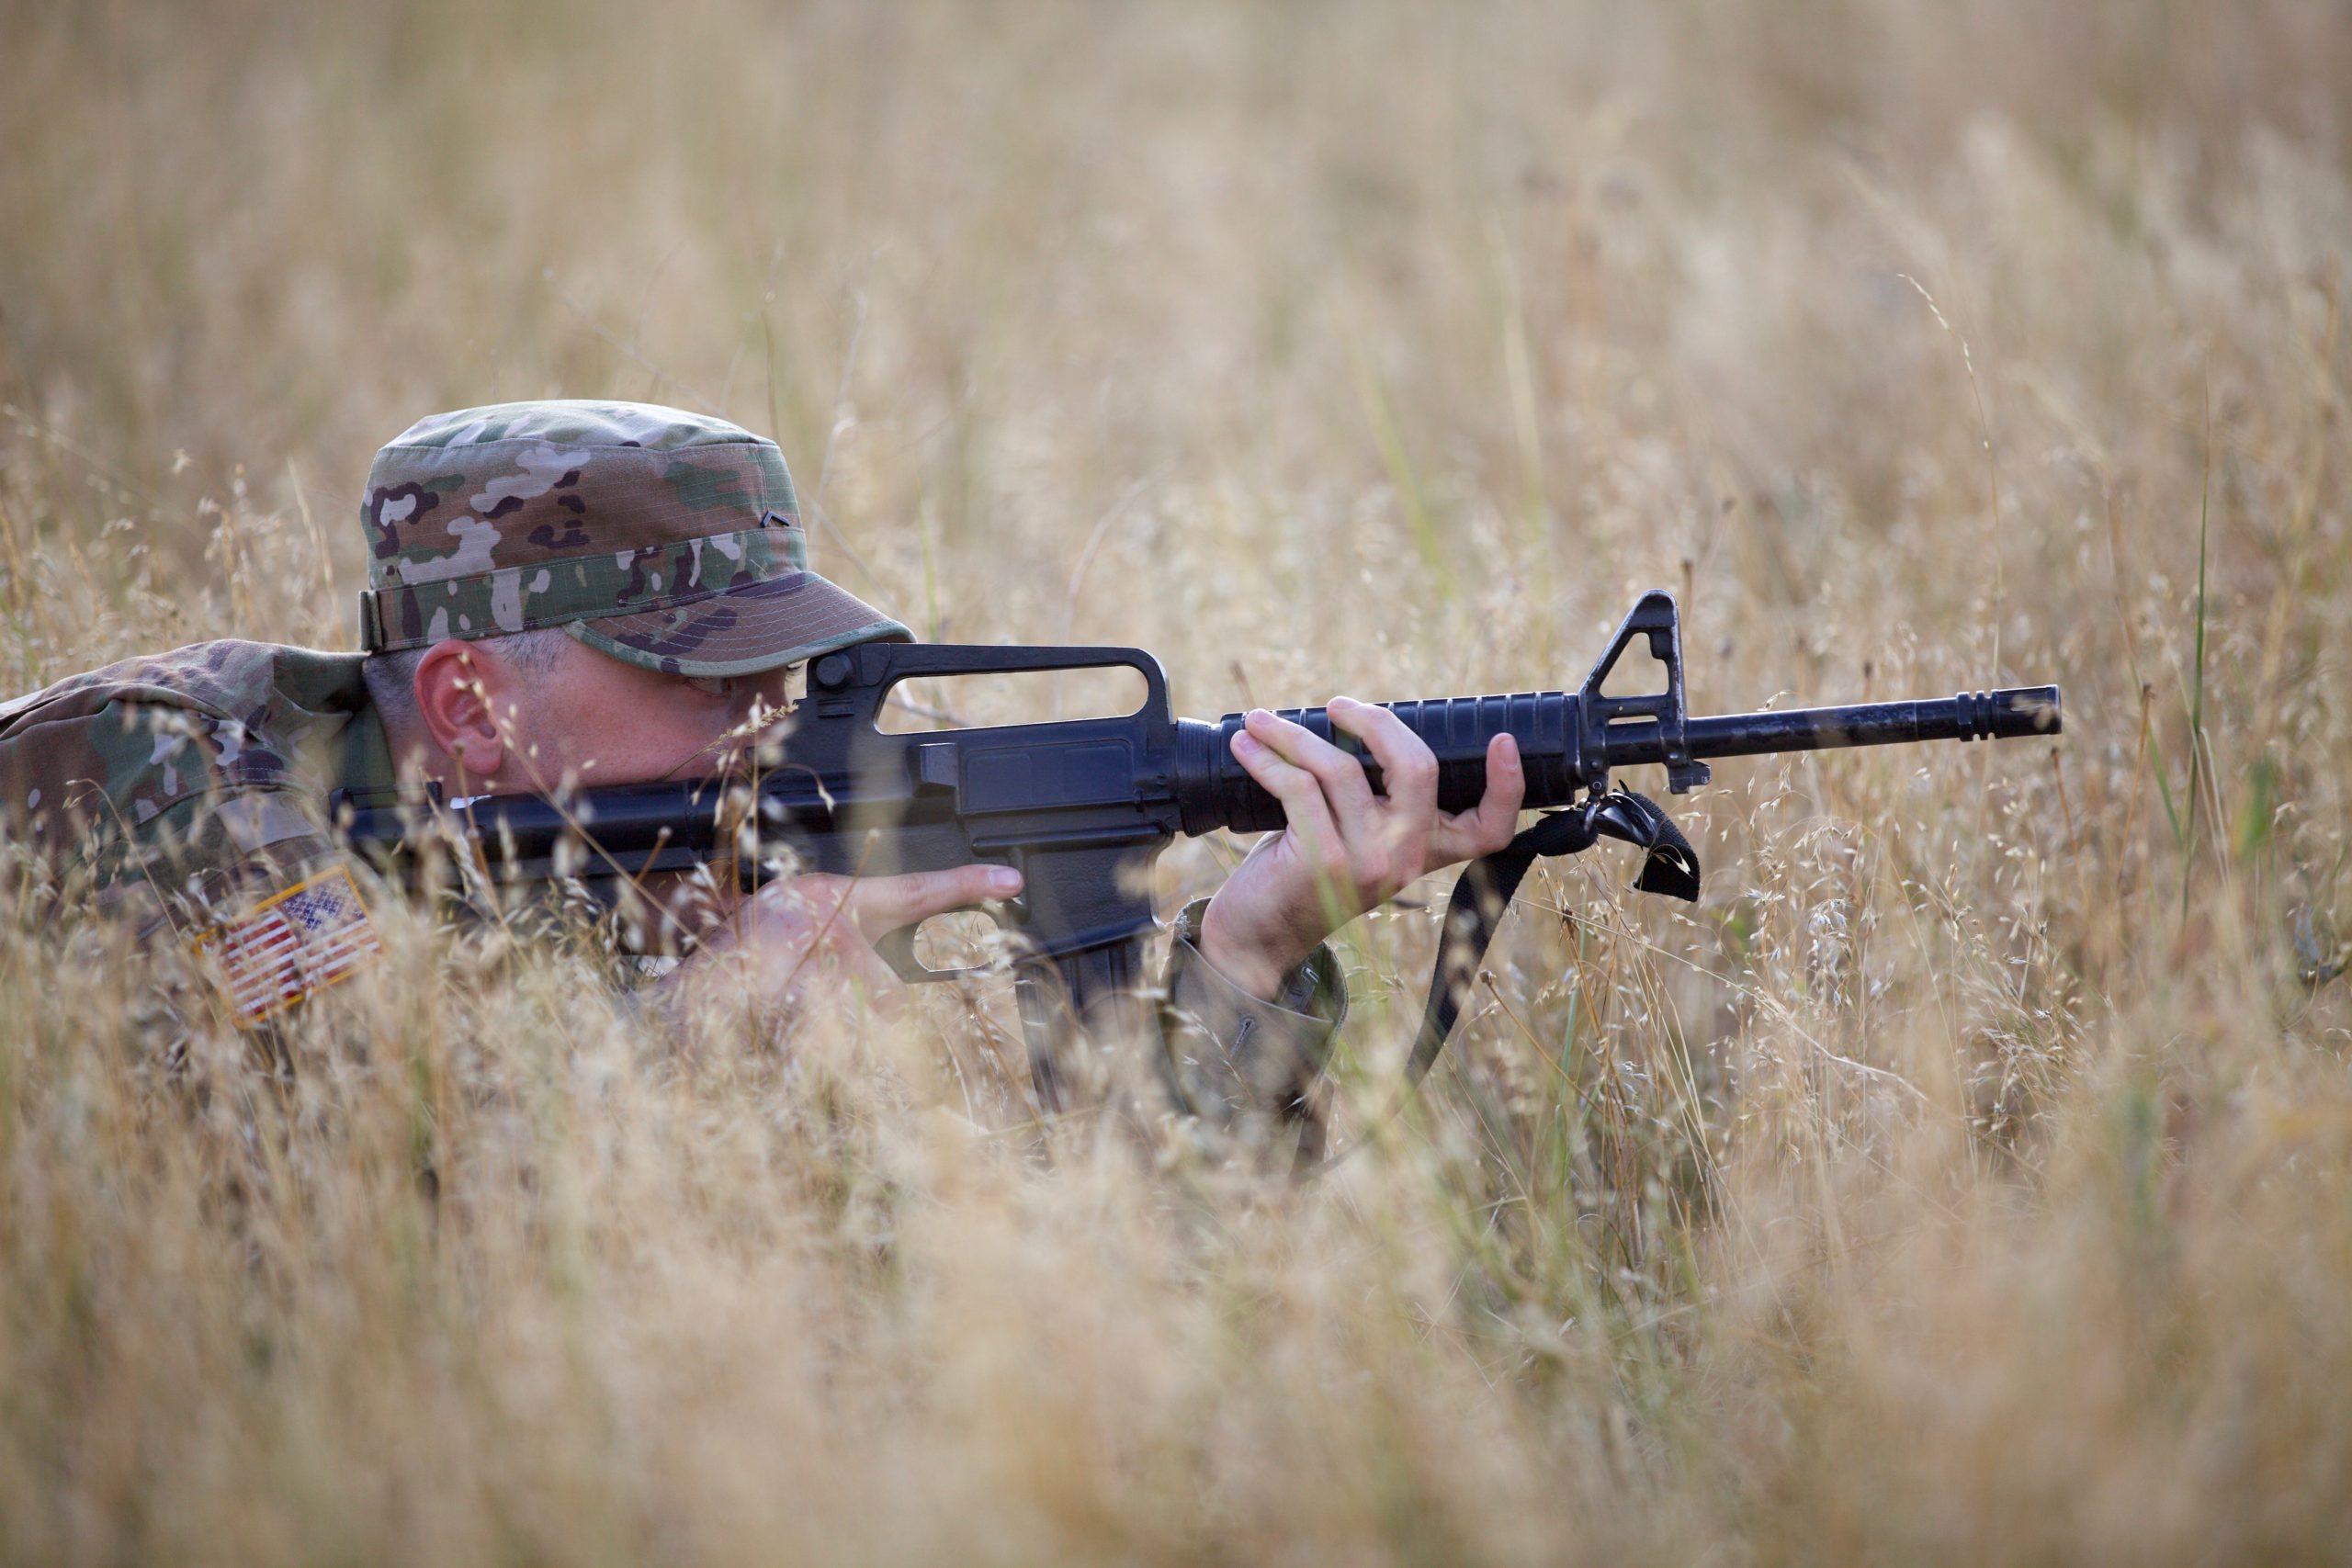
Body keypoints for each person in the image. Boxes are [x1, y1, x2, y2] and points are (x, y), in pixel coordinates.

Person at [0, 400, 1525, 1122]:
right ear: (466, 705)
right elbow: (311, 1186)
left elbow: (1112, 1293)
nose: (773, 721)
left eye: (786, 664)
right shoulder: (152, 783)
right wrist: (704, 1017)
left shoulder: (685, 837)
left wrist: (1247, 957)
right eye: (706, 675)